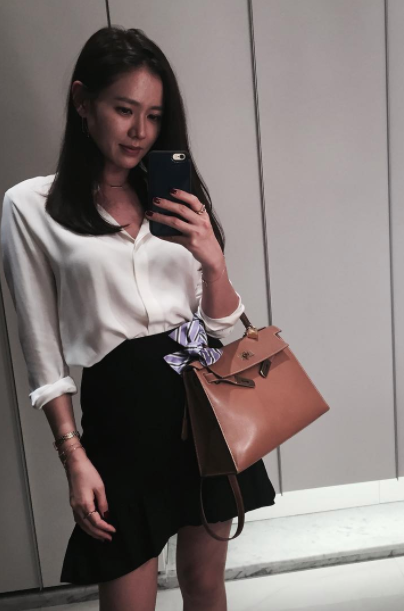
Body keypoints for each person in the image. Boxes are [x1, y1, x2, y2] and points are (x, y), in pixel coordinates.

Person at [0, 26, 276, 611]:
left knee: (205, 583)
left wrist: (214, 262)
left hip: (200, 395)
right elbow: (41, 349)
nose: (140, 131)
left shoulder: (174, 197)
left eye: (153, 115)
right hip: (121, 414)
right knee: (128, 599)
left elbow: (220, 329)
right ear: (83, 102)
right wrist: (74, 456)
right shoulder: (31, 206)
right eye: (124, 110)